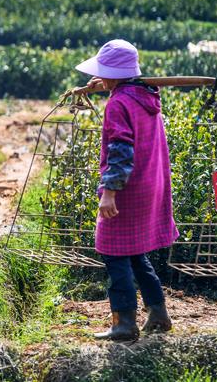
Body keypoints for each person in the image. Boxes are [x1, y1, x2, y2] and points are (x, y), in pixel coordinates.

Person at [75, 39, 179, 342]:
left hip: (126, 190)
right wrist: (109, 83)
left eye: (104, 72)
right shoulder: (144, 96)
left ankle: (124, 323)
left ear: (115, 75)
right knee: (135, 253)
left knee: (113, 254)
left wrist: (109, 192)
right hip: (149, 185)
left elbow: (120, 150)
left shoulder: (119, 103)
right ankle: (159, 315)